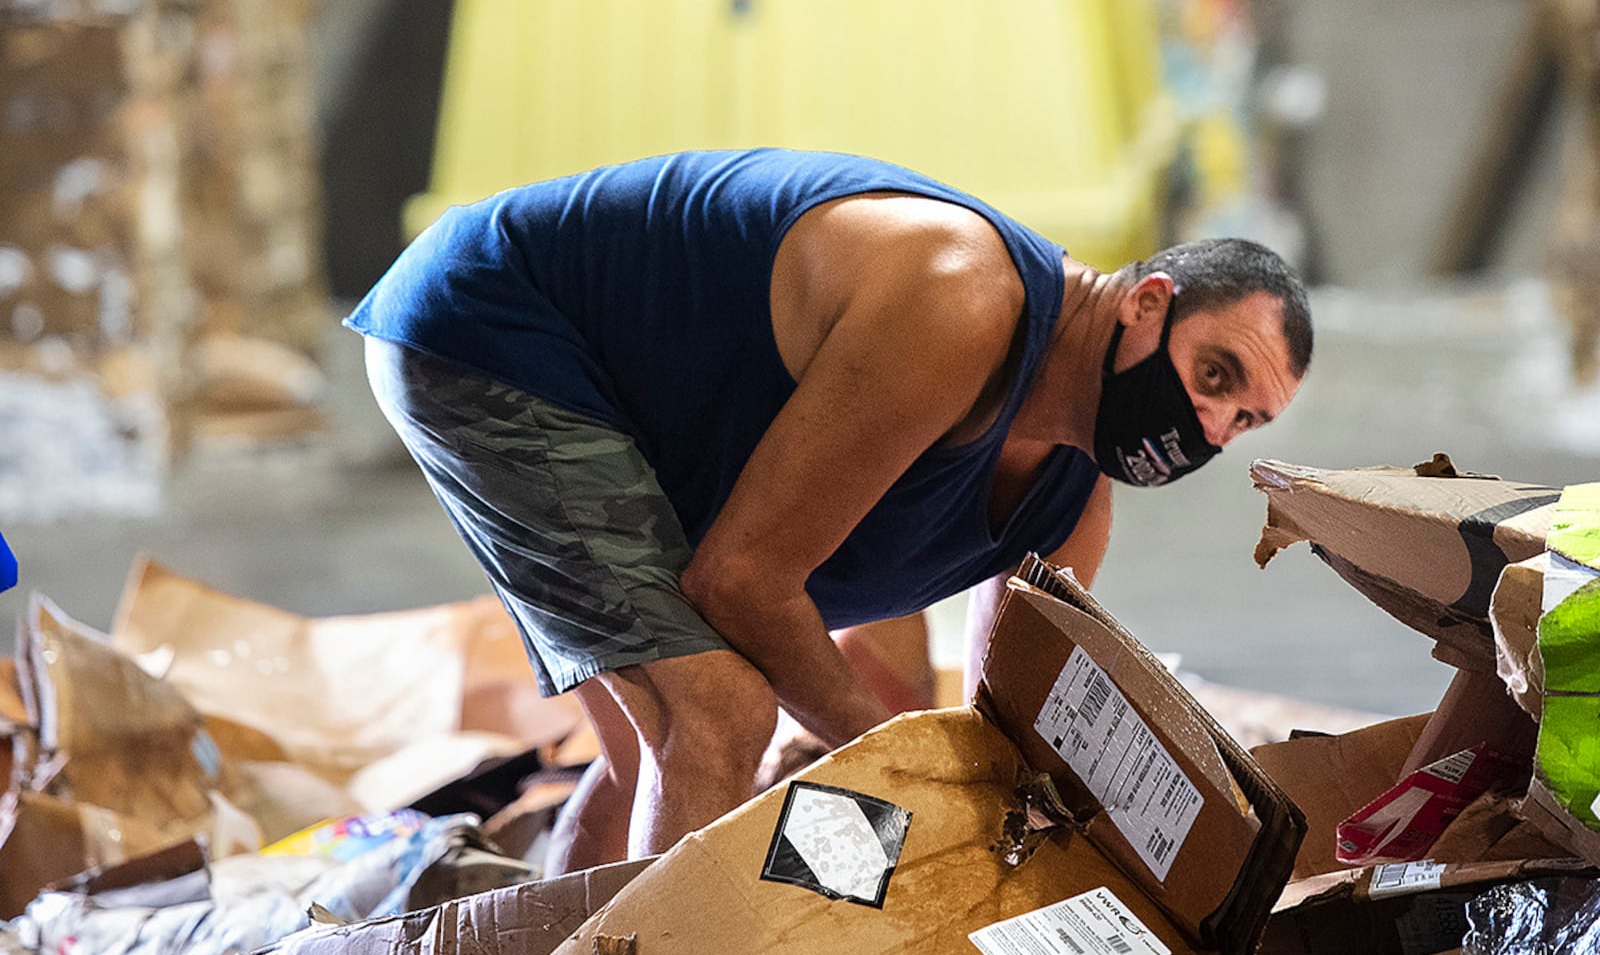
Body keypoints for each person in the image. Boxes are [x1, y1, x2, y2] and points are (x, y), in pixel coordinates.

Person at [350, 149, 1311, 869]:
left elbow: (989, 732)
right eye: (1211, 373)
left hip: (638, 419)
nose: (1208, 423)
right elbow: (739, 582)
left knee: (673, 742)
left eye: (1242, 419)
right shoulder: (960, 302)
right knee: (720, 710)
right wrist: (903, 781)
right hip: (495, 323)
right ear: (1147, 303)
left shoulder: (1067, 507)